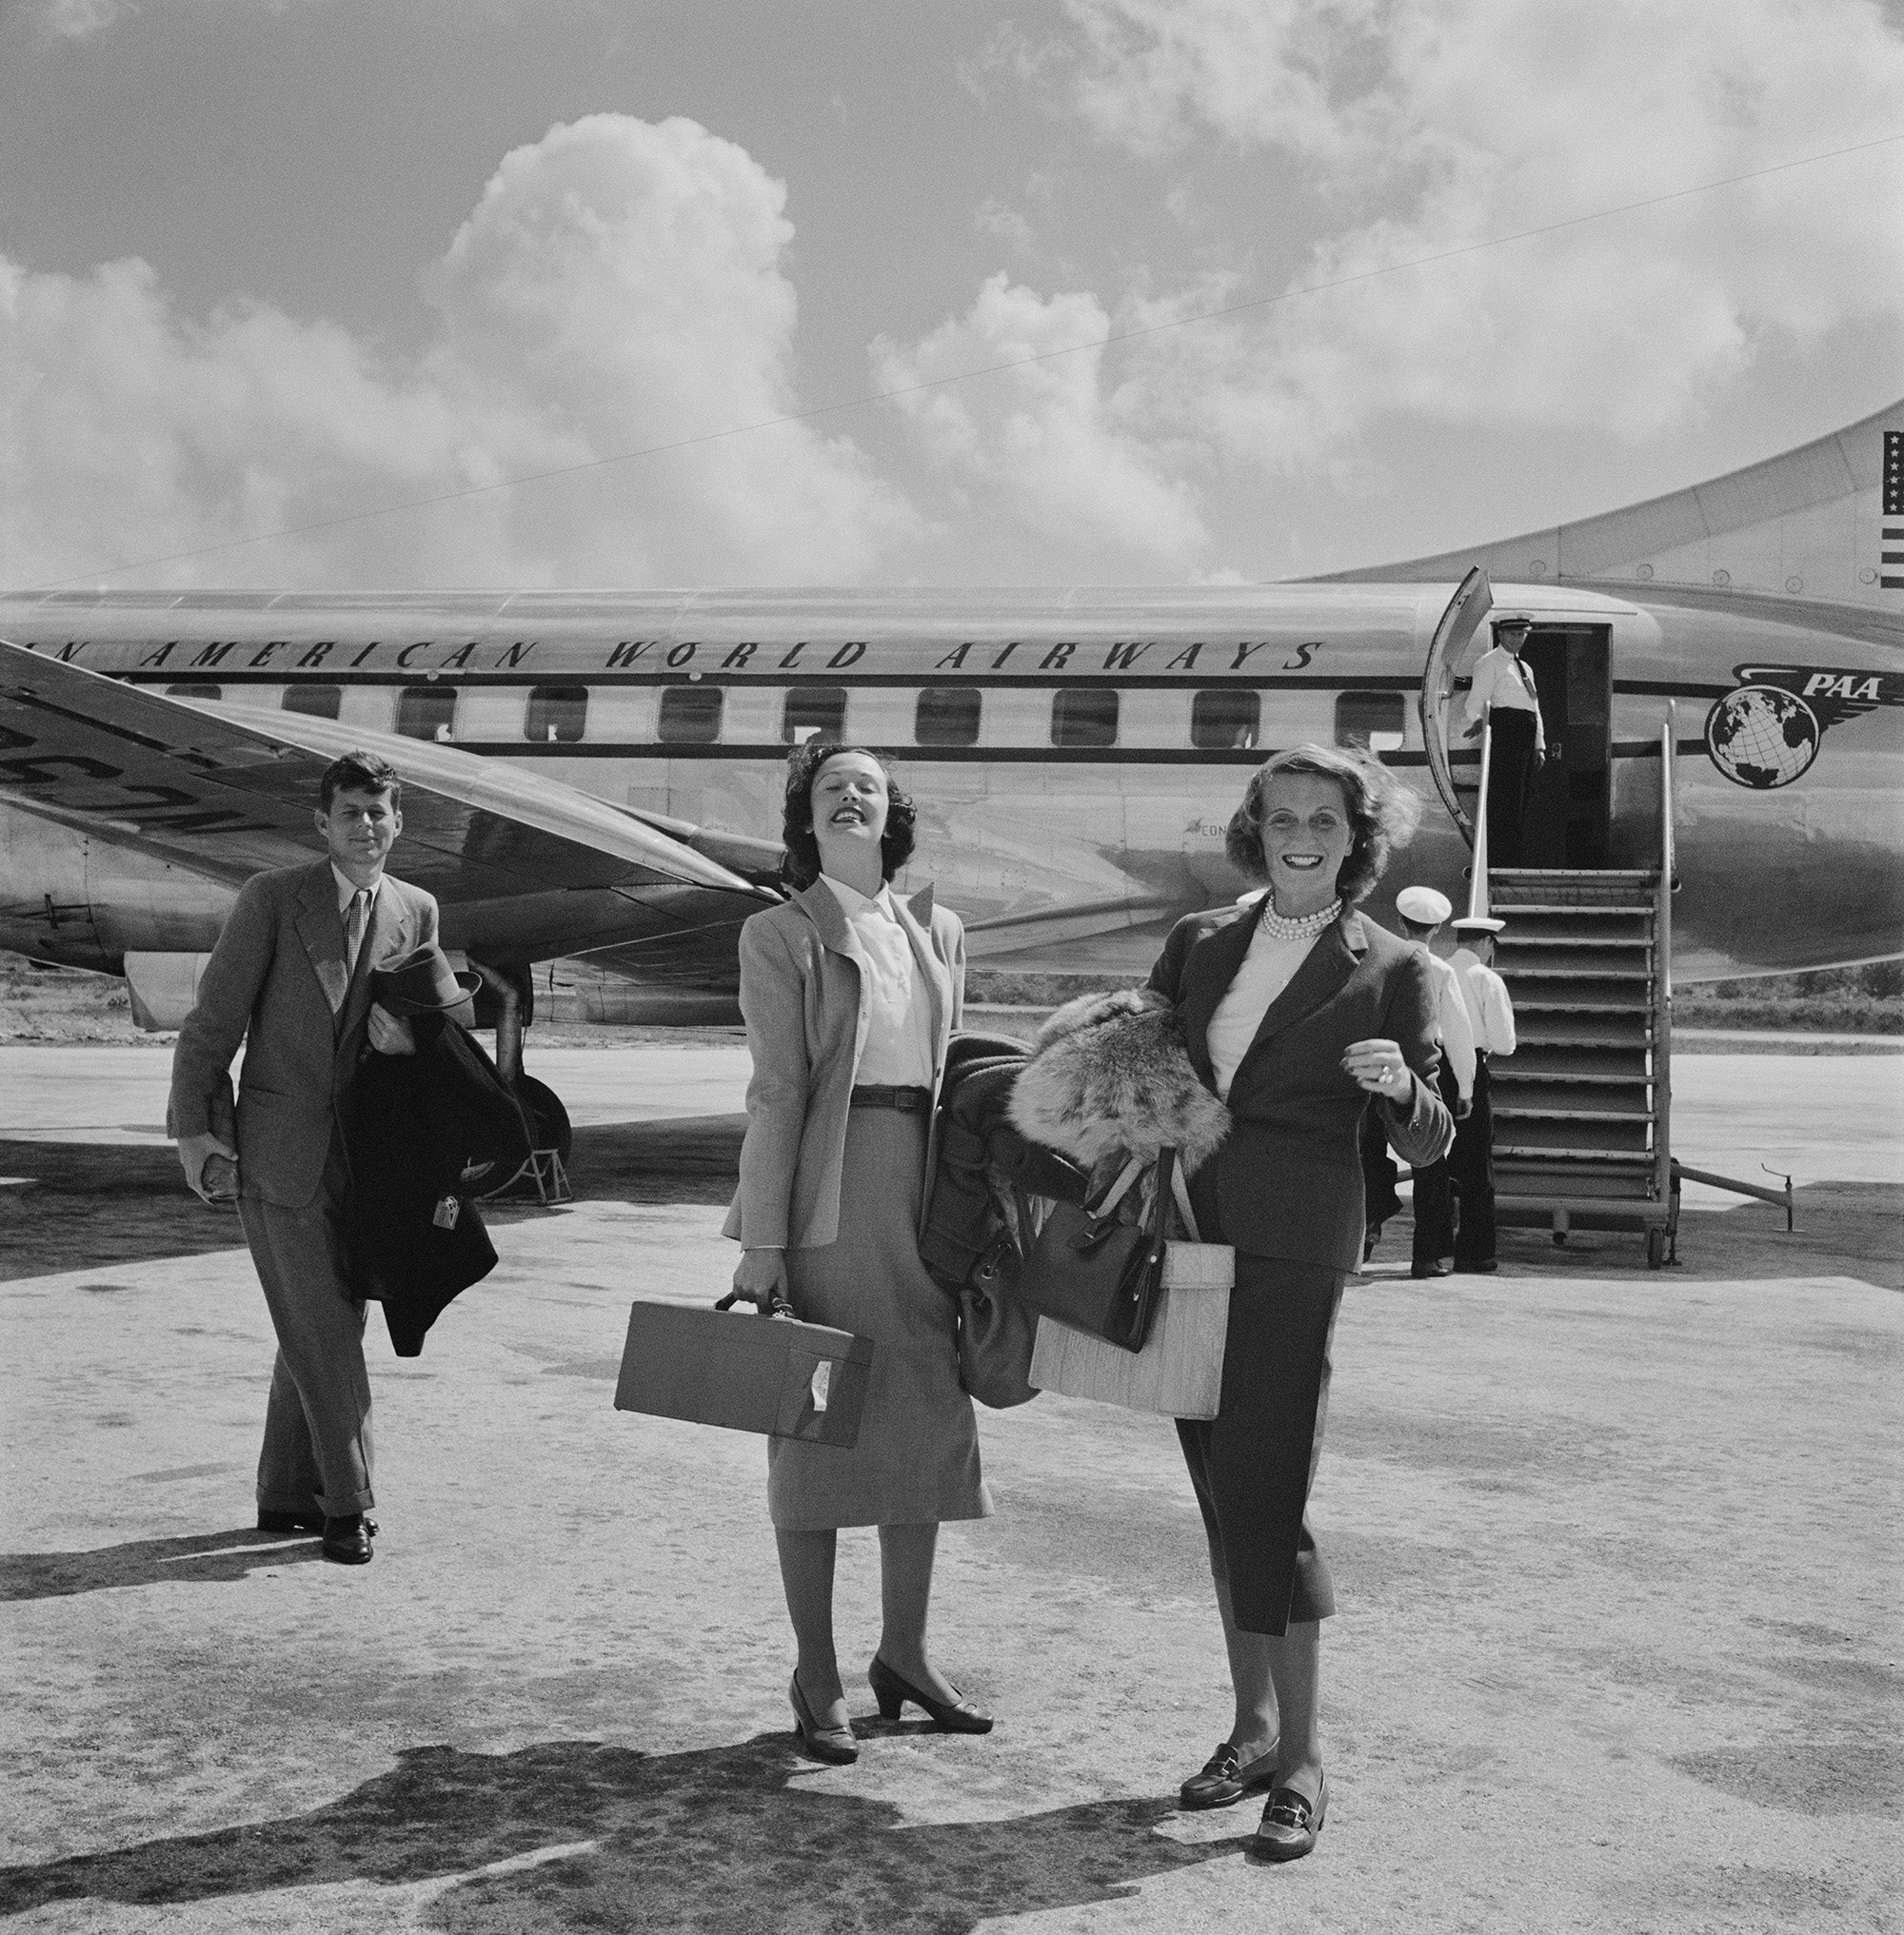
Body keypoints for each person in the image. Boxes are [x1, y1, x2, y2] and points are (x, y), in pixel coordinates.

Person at [1144, 744, 1453, 1862]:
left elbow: (1432, 1136)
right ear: (1256, 826)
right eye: (1282, 815)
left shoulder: (1397, 966)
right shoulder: (1197, 941)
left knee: (1269, 1484)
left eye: (1324, 817)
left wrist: (1401, 1088)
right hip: (1191, 1234)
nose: (1302, 833)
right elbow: (1146, 1067)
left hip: (1294, 1245)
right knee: (1222, 1493)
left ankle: (1305, 1756)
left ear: (1355, 836)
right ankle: (1250, 1731)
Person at [724, 743, 991, 1767]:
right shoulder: (778, 933)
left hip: (925, 1200)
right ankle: (815, 1670)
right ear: (807, 816)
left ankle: (907, 1656)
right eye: (830, 785)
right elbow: (776, 1090)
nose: (849, 794)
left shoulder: (939, 929)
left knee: (922, 1422)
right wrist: (762, 1240)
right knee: (815, 1432)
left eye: (867, 785)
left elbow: (958, 1070)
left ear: (891, 814)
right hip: (826, 1198)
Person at [167, 750, 436, 1566]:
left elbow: (431, 1020)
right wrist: (194, 1131)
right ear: (322, 824)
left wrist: (411, 1036)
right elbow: (213, 1022)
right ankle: (349, 1503)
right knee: (323, 1326)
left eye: (379, 811)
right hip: (278, 1153)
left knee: (322, 1320)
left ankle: (284, 1491)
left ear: (399, 821)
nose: (366, 826)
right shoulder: (275, 899)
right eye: (350, 812)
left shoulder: (418, 908)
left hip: (367, 1158)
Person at [1392, 885, 1477, 1280]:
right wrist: (1467, 1088)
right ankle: (1427, 1257)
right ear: (1438, 929)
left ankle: (1363, 1234)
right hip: (1422, 1076)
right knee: (1430, 1166)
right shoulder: (1441, 972)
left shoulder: (1377, 960)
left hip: (1377, 1069)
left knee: (1364, 1157)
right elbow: (1458, 1034)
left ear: (1399, 923)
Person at [1448, 915, 1517, 1274]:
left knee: (1435, 1164)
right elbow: (1505, 1044)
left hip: (1433, 1068)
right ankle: (1475, 1253)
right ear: (1486, 945)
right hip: (1471, 1070)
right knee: (1476, 1169)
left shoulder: (1435, 971)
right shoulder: (1487, 980)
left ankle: (1434, 1247)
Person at [1463, 613, 1545, 865]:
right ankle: (1500, 858)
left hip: (1525, 734)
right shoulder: (1489, 663)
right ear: (1501, 635)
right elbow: (1476, 700)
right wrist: (1478, 721)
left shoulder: (1524, 667)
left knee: (1520, 799)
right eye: (1512, 634)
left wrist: (1539, 743)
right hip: (1506, 731)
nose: (1518, 639)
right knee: (1503, 798)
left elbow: (1534, 706)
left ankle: (1514, 855)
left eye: (1521, 634)